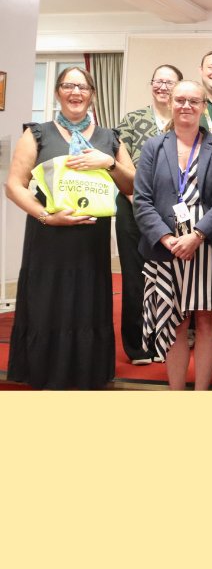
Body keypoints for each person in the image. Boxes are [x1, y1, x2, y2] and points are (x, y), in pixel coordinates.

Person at [4, 66, 135, 389]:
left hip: (91, 240)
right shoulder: (36, 134)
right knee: (48, 300)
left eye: (82, 87)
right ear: (57, 92)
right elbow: (14, 185)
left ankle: (86, 372)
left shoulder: (109, 138)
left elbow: (132, 186)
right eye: (68, 86)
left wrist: (109, 163)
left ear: (92, 93)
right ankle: (43, 372)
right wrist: (46, 215)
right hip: (48, 235)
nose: (75, 93)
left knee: (86, 302)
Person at [134, 80, 212, 391]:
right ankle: (176, 392)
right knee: (175, 321)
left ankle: (200, 392)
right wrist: (165, 238)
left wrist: (197, 236)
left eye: (194, 101)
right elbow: (142, 199)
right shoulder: (153, 147)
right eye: (180, 100)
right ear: (170, 103)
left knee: (206, 319)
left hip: (205, 246)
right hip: (166, 248)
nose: (187, 106)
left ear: (203, 107)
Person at [115, 63, 183, 365]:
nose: (163, 87)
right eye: (158, 81)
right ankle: (136, 344)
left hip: (172, 214)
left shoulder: (186, 119)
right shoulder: (131, 121)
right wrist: (139, 202)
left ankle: (162, 341)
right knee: (135, 278)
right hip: (133, 209)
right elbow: (124, 166)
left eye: (170, 82)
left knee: (168, 278)